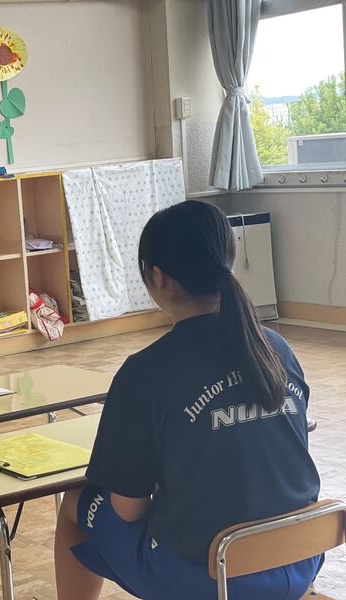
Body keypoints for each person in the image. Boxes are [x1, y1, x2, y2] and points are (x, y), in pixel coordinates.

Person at [54, 201, 322, 599]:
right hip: (301, 556)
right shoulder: (277, 348)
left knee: (75, 505)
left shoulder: (145, 371)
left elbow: (128, 510)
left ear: (157, 277)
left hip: (213, 577)